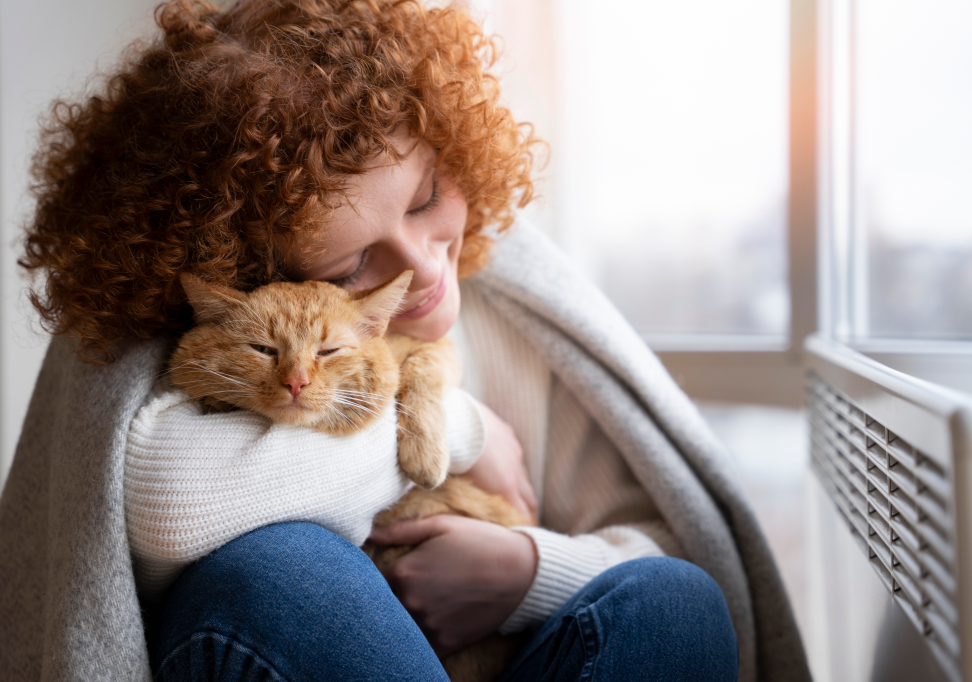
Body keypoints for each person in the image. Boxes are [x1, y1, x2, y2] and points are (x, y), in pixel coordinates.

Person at [0, 1, 810, 681]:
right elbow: (163, 500)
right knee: (284, 575)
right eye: (353, 265)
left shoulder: (514, 300)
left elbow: (671, 543)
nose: (424, 268)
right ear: (251, 278)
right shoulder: (230, 330)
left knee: (674, 602)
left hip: (510, 647)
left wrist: (522, 575)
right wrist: (463, 429)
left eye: (425, 197)